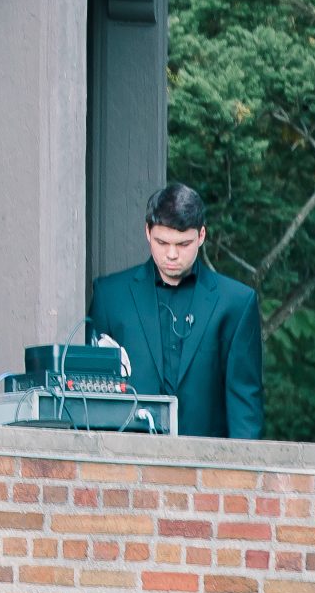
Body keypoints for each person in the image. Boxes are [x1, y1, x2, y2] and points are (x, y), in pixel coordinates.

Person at [88, 181, 263, 439]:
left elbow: (244, 406)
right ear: (148, 232)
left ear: (201, 236)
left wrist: (243, 474)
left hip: (207, 465)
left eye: (183, 244)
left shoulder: (236, 303)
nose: (171, 254)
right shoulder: (110, 296)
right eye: (162, 242)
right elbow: (91, 396)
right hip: (126, 462)